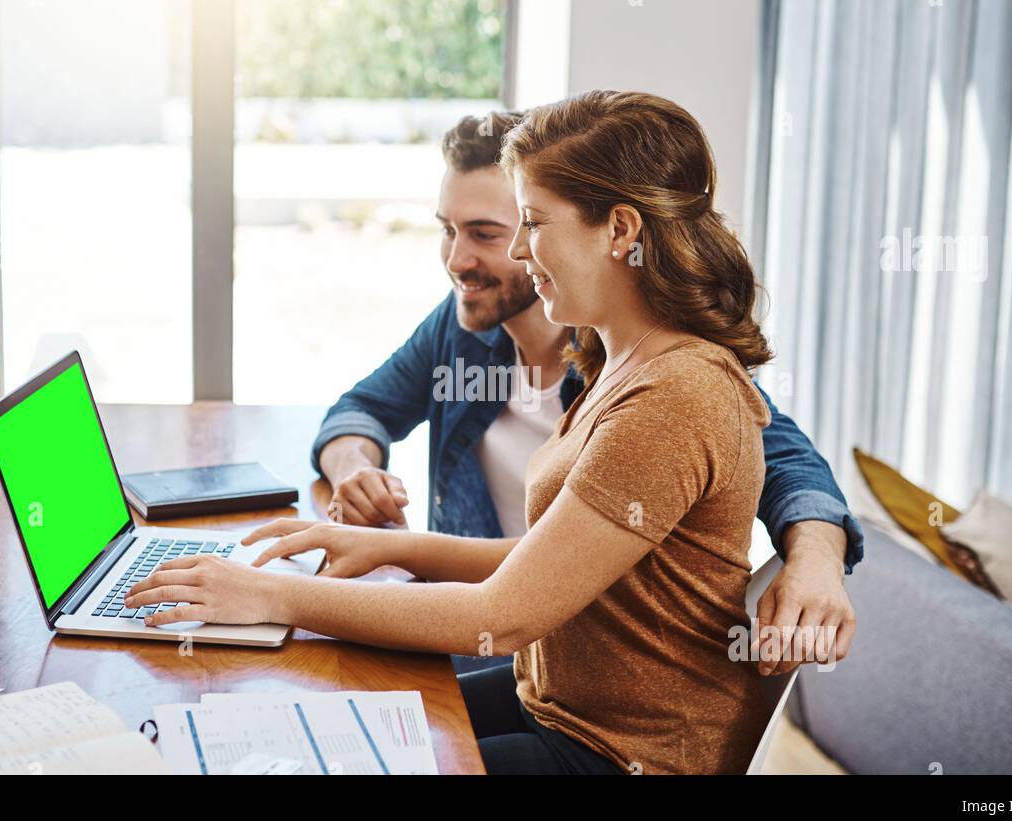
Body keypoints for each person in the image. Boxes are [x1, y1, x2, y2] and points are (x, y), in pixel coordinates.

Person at [126, 91, 856, 774]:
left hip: (620, 752)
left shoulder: (676, 392)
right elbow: (556, 558)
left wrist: (269, 597)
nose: (516, 252)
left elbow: (501, 617)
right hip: (556, 703)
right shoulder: (612, 353)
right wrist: (386, 544)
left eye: (531, 224)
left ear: (621, 231)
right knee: (307, 717)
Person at [311, 107, 863, 677]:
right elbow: (362, 408)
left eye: (490, 232)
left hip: (541, 646)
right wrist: (356, 468)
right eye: (447, 231)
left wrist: (818, 557)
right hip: (501, 634)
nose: (457, 260)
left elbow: (783, 456)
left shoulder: (653, 369)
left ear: (612, 232)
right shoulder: (462, 329)